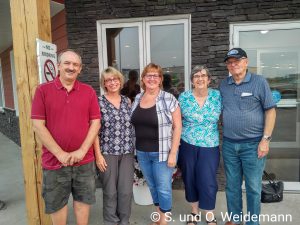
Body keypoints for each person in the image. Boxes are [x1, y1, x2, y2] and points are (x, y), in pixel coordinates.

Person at [31, 49, 101, 225]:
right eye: (67, 63)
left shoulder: (88, 92)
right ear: (58, 66)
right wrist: (60, 153)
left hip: (84, 161)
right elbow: (38, 125)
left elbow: (95, 123)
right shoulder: (43, 91)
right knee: (56, 204)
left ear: (80, 69)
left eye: (75, 64)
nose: (71, 67)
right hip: (54, 162)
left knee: (83, 200)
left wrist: (82, 150)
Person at [219, 48, 276, 225]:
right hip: (229, 144)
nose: (233, 64)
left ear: (246, 62)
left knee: (253, 187)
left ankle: (252, 222)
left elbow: (271, 111)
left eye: (237, 60)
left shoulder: (259, 82)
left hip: (253, 145)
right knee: (232, 186)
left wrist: (265, 140)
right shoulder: (224, 85)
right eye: (229, 62)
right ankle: (235, 220)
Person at [131, 63, 182, 225]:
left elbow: (178, 126)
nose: (152, 78)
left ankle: (164, 221)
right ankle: (159, 216)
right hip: (142, 152)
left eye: (156, 76)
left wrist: (173, 153)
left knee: (164, 188)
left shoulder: (168, 98)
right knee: (152, 186)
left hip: (163, 153)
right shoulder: (138, 98)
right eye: (148, 75)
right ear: (143, 79)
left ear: (160, 79)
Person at [178, 65, 221, 225]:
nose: (200, 78)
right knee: (190, 178)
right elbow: (176, 120)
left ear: (209, 80)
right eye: (196, 76)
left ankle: (209, 214)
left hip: (210, 145)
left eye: (203, 75)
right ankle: (194, 212)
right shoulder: (184, 97)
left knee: (208, 180)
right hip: (187, 144)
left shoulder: (217, 96)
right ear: (192, 81)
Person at [94, 67, 135, 225]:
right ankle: (111, 222)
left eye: (115, 79)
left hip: (127, 152)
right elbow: (94, 132)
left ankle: (124, 221)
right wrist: (98, 156)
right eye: (108, 80)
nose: (112, 82)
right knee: (110, 192)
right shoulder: (98, 102)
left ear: (120, 80)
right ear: (104, 83)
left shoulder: (127, 101)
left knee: (125, 191)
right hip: (107, 153)